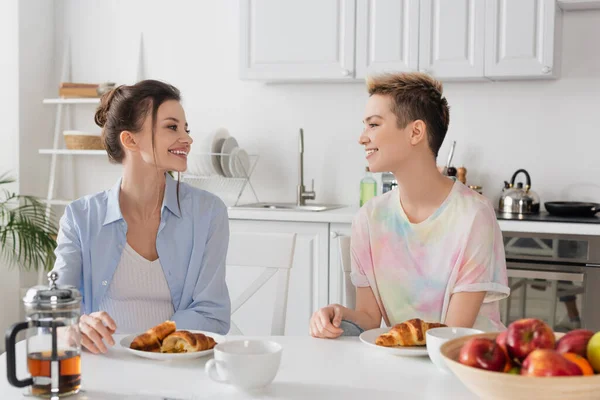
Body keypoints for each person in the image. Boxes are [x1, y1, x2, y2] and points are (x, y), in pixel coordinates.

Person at [309, 72, 510, 338]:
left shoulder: (474, 215)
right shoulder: (370, 218)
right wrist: (338, 315)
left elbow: (450, 335)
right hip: (405, 359)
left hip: (467, 364)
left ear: (415, 132)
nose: (362, 137)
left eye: (374, 125)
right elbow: (369, 319)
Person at [52, 80, 231, 354]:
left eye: (186, 128)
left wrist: (147, 342)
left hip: (178, 365)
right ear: (130, 139)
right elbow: (57, 306)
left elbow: (213, 315)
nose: (187, 138)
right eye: (172, 127)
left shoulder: (208, 213)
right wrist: (72, 327)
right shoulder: (81, 217)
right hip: (105, 364)